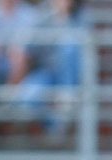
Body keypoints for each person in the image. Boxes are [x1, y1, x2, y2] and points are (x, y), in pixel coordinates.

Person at [19, 0, 91, 135]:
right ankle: (56, 126)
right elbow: (29, 46)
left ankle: (67, 95)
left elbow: (85, 47)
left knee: (69, 45)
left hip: (73, 76)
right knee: (28, 98)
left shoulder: (81, 16)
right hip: (47, 72)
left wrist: (65, 17)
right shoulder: (42, 14)